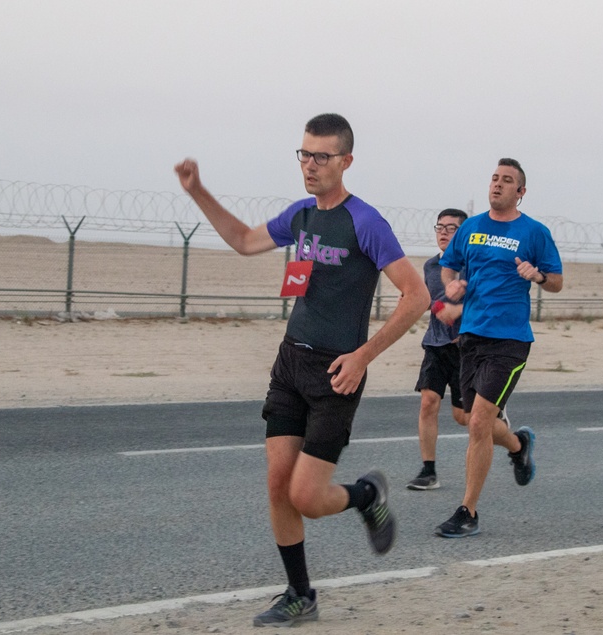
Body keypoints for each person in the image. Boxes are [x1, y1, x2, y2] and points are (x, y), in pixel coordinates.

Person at [173, 113, 430, 628]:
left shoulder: (366, 222)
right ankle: (300, 594)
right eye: (304, 155)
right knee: (277, 485)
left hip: (338, 370)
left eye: (322, 157)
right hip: (290, 361)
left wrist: (363, 356)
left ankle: (365, 495)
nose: (310, 166)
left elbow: (417, 294)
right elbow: (245, 241)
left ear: (346, 161)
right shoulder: (301, 216)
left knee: (308, 497)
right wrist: (197, 190)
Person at [433, 158, 563, 537]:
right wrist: (452, 286)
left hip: (510, 340)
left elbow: (556, 281)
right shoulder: (471, 228)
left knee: (477, 422)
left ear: (520, 192)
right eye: (494, 178)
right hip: (471, 335)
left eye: (507, 181)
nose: (498, 185)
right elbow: (449, 266)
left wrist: (536, 275)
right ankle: (519, 444)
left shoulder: (534, 232)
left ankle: (467, 511)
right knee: (475, 419)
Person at [407, 208, 471, 490]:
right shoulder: (431, 267)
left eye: (451, 228)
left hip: (466, 349)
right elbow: (429, 300)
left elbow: (488, 303)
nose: (443, 232)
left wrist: (459, 311)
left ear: (464, 234)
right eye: (439, 227)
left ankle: (511, 436)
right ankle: (428, 471)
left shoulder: (473, 265)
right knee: (428, 402)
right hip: (435, 344)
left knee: (463, 417)